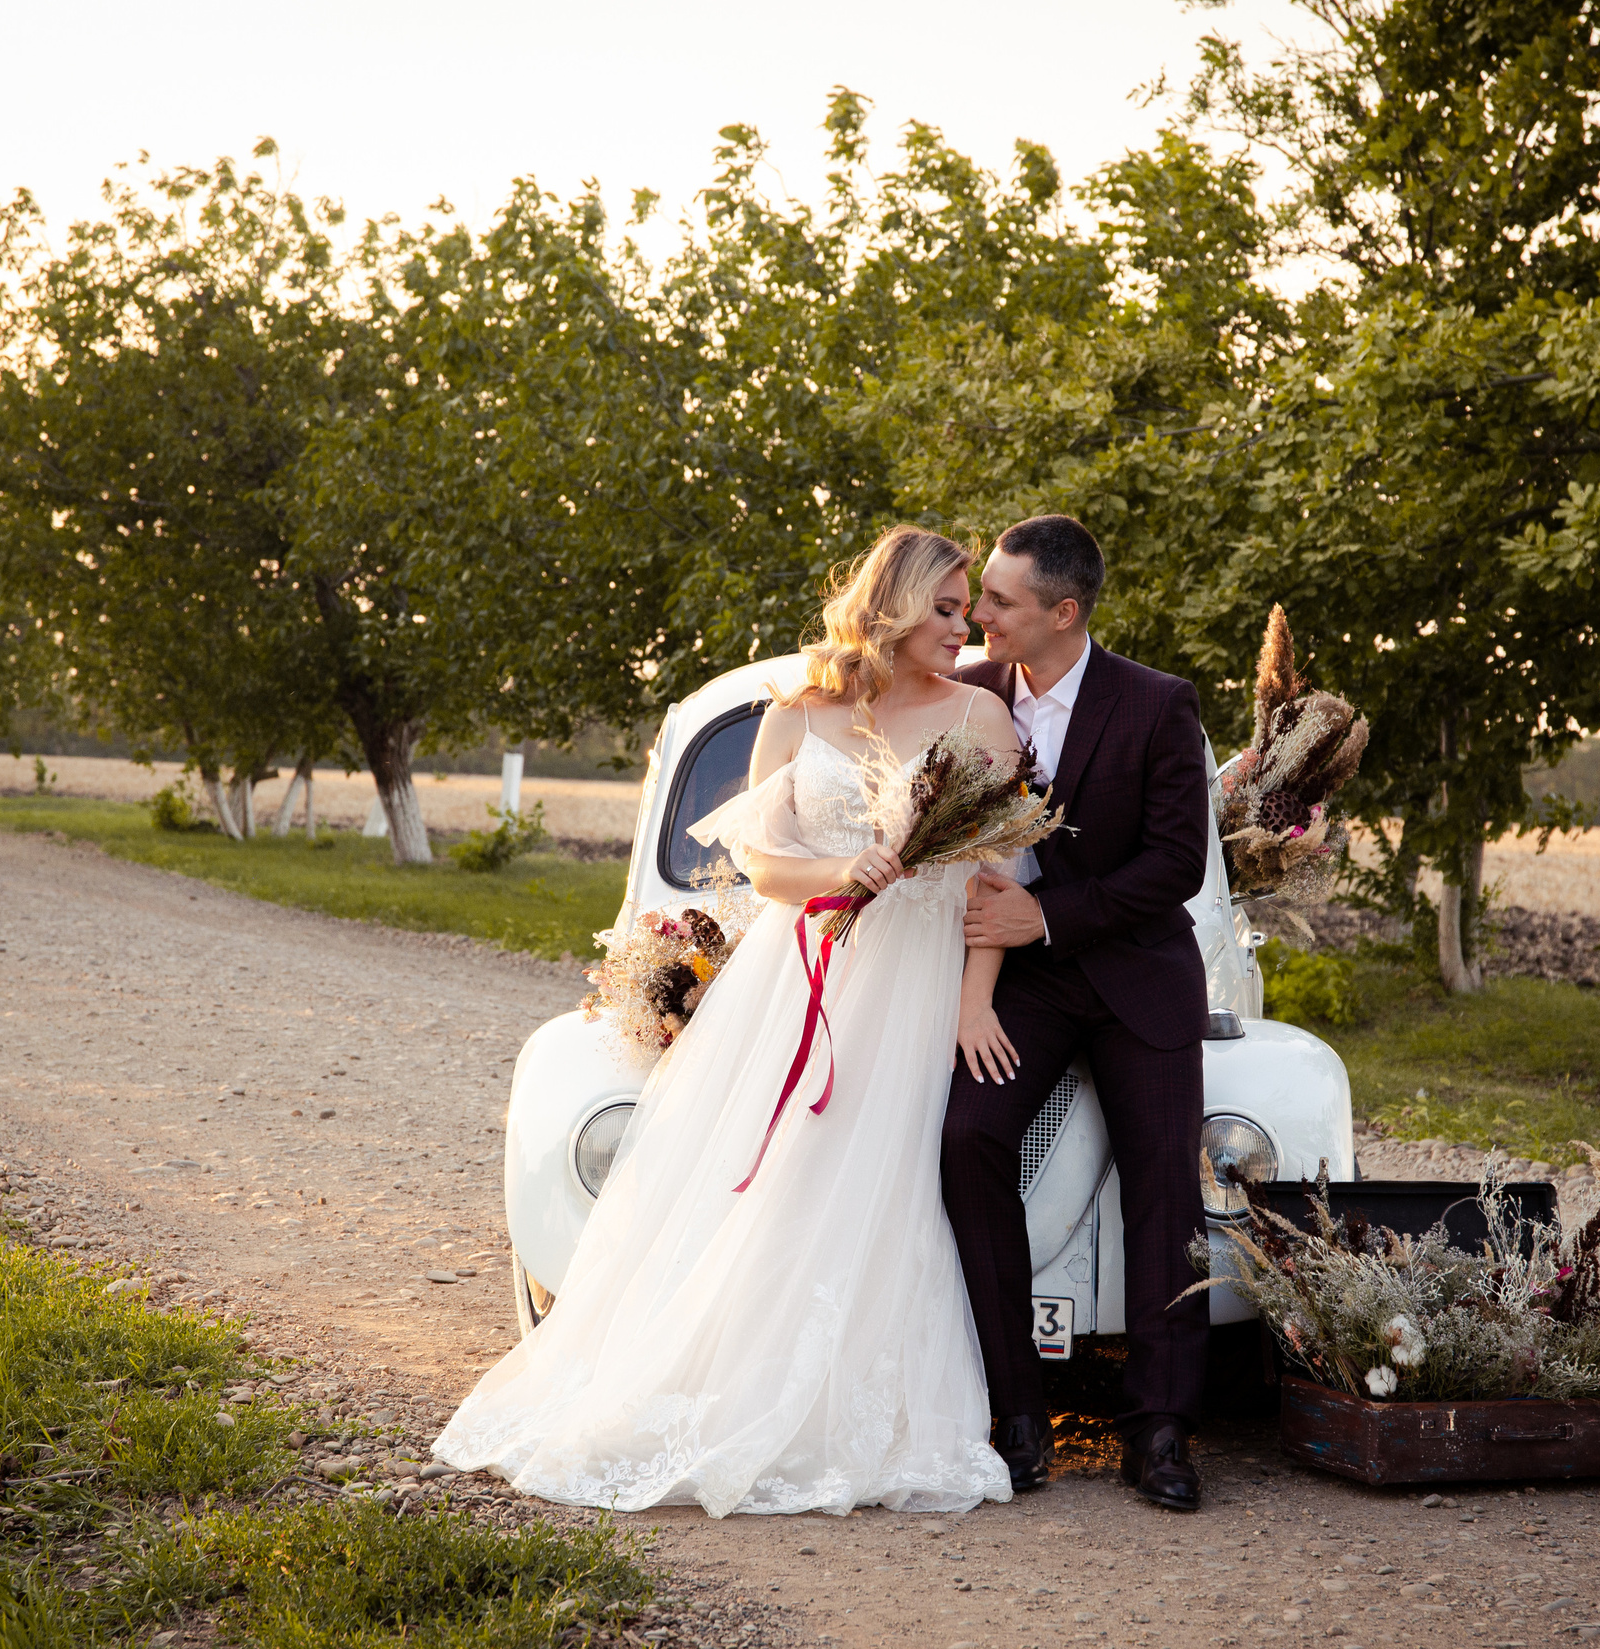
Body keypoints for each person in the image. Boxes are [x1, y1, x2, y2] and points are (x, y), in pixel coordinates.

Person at [431, 524, 1023, 1516]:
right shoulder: (800, 710)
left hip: (915, 980)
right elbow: (761, 865)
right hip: (805, 971)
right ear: (893, 606)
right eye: (947, 609)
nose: (962, 630)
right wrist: (846, 872)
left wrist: (973, 1000)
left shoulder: (980, 714)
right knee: (781, 1170)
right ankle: (729, 1374)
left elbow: (996, 882)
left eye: (968, 611)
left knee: (885, 1178)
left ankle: (854, 1396)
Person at [945, 515, 1213, 1512]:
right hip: (1025, 986)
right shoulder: (965, 692)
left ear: (1063, 613)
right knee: (966, 1136)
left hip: (1136, 972)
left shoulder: (1155, 704)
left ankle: (1160, 1426)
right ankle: (1016, 1409)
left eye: (1000, 601)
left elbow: (1175, 864)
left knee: (1162, 1189)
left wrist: (1046, 914)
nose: (979, 614)